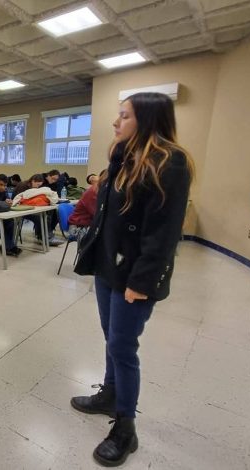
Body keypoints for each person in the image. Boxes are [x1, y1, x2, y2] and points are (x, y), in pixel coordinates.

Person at [71, 92, 194, 467]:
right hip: (109, 269)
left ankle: (126, 427)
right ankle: (109, 393)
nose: (115, 122)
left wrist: (141, 282)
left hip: (135, 277)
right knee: (112, 339)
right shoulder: (123, 157)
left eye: (123, 116)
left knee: (124, 348)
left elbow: (163, 233)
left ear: (148, 120)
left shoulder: (169, 163)